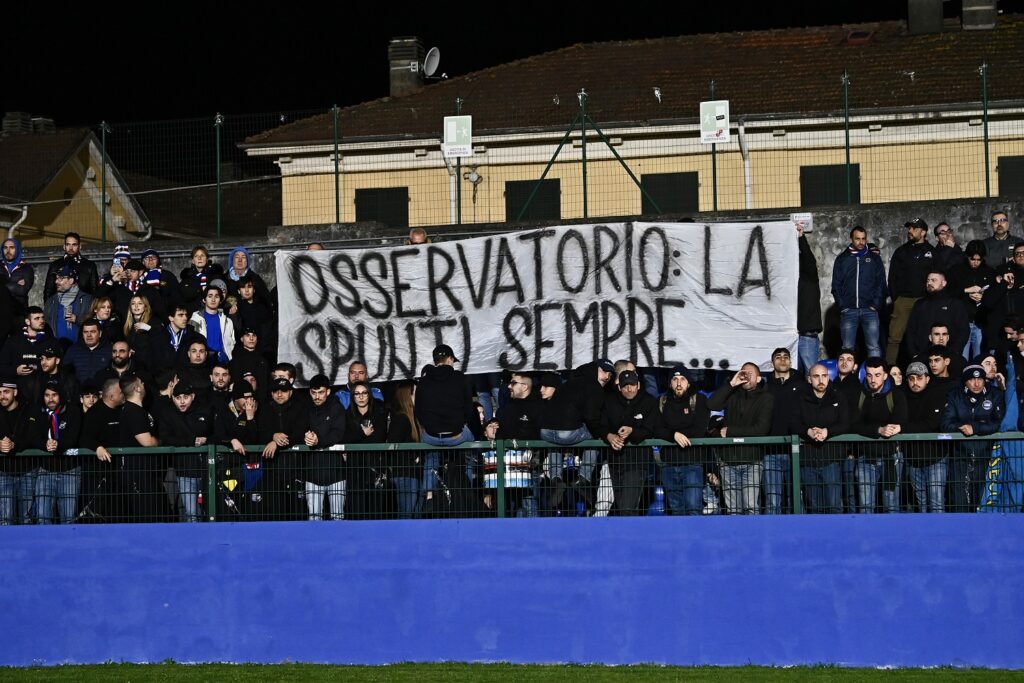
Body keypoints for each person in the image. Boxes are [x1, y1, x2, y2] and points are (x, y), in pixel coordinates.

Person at [414, 344, 479, 513]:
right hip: (456, 435)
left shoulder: (423, 380)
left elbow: (418, 410)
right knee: (471, 449)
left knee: (431, 456)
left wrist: (430, 427)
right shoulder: (460, 378)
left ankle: (429, 495)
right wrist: (460, 424)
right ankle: (467, 489)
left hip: (431, 435)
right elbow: (469, 409)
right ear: (450, 359)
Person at [706, 362, 774, 515]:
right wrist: (731, 384)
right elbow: (711, 404)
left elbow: (761, 429)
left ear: (758, 378)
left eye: (750, 373)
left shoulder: (766, 398)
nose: (746, 375)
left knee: (751, 508)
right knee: (732, 511)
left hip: (752, 461)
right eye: (743, 372)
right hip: (728, 460)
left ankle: (753, 539)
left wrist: (729, 431)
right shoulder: (732, 394)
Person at [942, 364, 1005, 513]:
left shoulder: (994, 394)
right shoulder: (954, 395)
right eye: (971, 379)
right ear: (965, 381)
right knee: (959, 500)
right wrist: (962, 427)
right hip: (960, 455)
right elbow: (945, 424)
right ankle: (961, 532)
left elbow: (999, 423)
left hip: (986, 455)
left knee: (981, 497)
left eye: (980, 379)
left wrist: (975, 428)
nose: (976, 383)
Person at [850, 358, 907, 513]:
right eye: (869, 375)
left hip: (891, 457)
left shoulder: (896, 395)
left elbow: (901, 421)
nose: (873, 379)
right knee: (866, 506)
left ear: (885, 375)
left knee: (891, 506)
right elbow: (853, 424)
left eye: (877, 375)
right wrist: (878, 430)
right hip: (866, 458)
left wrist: (892, 428)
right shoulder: (859, 395)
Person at [597, 369, 657, 516]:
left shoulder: (649, 401)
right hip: (614, 460)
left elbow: (651, 429)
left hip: (637, 461)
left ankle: (630, 537)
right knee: (622, 508)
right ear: (619, 387)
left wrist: (632, 431)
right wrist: (609, 436)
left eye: (632, 384)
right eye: (625, 385)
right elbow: (600, 425)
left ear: (639, 385)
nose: (629, 388)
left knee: (627, 508)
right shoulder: (609, 401)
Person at [791, 363, 849, 514]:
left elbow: (845, 423)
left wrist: (827, 431)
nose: (821, 380)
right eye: (816, 376)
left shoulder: (838, 395)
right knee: (814, 507)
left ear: (828, 377)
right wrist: (808, 432)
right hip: (808, 461)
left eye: (824, 376)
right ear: (809, 379)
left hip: (831, 459)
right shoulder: (800, 398)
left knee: (834, 506)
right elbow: (793, 423)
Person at [654, 366, 711, 516]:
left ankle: (695, 540)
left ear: (689, 383)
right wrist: (674, 435)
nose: (679, 383)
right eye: (675, 379)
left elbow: (699, 429)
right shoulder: (661, 401)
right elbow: (656, 428)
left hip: (692, 463)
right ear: (669, 383)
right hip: (668, 465)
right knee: (676, 510)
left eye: (683, 379)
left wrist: (671, 432)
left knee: (693, 508)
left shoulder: (700, 399)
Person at [157, 382, 211, 522]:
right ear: (172, 398)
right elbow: (165, 438)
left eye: (185, 397)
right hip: (185, 471)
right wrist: (191, 440)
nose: (181, 401)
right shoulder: (167, 413)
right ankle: (197, 542)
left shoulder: (205, 409)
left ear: (192, 396)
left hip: (209, 470)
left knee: (212, 510)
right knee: (192, 513)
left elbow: (213, 433)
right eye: (177, 397)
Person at [31, 382, 83, 524]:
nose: (50, 399)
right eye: (47, 395)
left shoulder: (73, 411)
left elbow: (73, 438)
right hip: (45, 471)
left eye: (54, 395)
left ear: (61, 395)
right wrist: (45, 444)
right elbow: (32, 437)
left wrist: (58, 444)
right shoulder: (38, 412)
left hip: (69, 471)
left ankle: (68, 546)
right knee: (42, 518)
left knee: (68, 518)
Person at [831, 226, 886, 358]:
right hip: (849, 310)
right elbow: (836, 285)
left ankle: (875, 375)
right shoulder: (842, 259)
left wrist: (875, 305)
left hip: (869, 310)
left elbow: (881, 283)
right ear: (851, 239)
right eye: (857, 239)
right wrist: (843, 306)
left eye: (863, 239)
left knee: (873, 346)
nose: (861, 242)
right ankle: (848, 377)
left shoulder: (874, 259)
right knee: (847, 349)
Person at [900, 362, 948, 513]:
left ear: (927, 379)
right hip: (913, 460)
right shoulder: (902, 398)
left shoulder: (937, 395)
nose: (915, 382)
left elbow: (932, 424)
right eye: (911, 378)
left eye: (919, 378)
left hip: (935, 459)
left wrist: (903, 428)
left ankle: (940, 536)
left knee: (936, 504)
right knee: (921, 506)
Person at [887, 218, 935, 365]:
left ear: (923, 232)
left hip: (924, 301)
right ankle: (890, 369)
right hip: (903, 300)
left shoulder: (932, 252)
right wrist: (897, 298)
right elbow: (892, 277)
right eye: (909, 228)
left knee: (924, 335)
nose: (910, 231)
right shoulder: (901, 252)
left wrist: (931, 298)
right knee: (895, 337)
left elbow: (938, 276)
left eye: (914, 228)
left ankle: (925, 368)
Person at [117, 374, 164, 522]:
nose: (144, 386)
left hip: (146, 471)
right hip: (137, 472)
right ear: (137, 388)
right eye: (142, 383)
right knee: (146, 512)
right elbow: (147, 442)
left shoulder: (139, 410)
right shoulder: (132, 411)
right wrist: (161, 441)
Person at [342, 379, 392, 519]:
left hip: (375, 468)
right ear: (352, 397)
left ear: (369, 395)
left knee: (376, 511)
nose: (361, 396)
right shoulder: (347, 414)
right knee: (357, 511)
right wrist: (362, 434)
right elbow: (343, 437)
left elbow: (379, 437)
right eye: (357, 394)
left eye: (364, 393)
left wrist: (355, 438)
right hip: (355, 470)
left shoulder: (379, 412)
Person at [302, 374, 347, 521]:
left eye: (320, 392)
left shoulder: (337, 407)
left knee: (337, 517)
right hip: (312, 472)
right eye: (313, 393)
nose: (317, 396)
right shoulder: (305, 408)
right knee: (314, 518)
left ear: (328, 391)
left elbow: (338, 433)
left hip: (336, 472)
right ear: (309, 392)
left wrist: (317, 440)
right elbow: (297, 428)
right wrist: (306, 436)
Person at [763, 347, 801, 514]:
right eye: (778, 357)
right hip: (771, 451)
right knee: (773, 501)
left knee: (795, 499)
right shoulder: (764, 386)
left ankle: (800, 536)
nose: (783, 359)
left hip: (796, 451)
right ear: (772, 363)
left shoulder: (802, 384)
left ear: (791, 361)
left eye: (786, 356)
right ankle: (773, 538)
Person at [904, 270, 970, 360]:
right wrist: (914, 354)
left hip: (948, 358)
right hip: (922, 357)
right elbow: (911, 331)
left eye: (933, 280)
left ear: (943, 283)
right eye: (928, 280)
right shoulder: (919, 304)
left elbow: (963, 331)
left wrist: (954, 352)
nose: (929, 283)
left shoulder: (955, 304)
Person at [948, 240, 994, 360]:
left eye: (979, 260)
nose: (975, 263)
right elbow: (949, 292)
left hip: (981, 322)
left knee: (980, 359)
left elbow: (994, 295)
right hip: (963, 321)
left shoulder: (989, 272)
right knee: (962, 359)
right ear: (967, 256)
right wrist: (966, 290)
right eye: (973, 259)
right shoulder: (956, 270)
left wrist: (983, 297)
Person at [0, 375, 36, 524]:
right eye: (0, 392)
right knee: (5, 519)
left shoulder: (28, 410)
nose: (2, 396)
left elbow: (34, 437)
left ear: (15, 392)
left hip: (27, 471)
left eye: (6, 392)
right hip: (3, 472)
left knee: (26, 520)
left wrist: (14, 444)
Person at [386, 381, 422, 519]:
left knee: (412, 513)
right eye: (415, 393)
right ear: (409, 395)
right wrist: (413, 456)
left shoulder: (413, 418)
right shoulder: (401, 419)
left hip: (411, 473)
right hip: (404, 473)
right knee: (406, 514)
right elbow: (393, 445)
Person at [43, 265, 93, 346]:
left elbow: (94, 322)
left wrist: (78, 320)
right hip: (57, 348)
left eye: (61, 278)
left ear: (71, 280)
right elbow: (46, 324)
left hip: (80, 348)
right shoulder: (51, 301)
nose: (56, 281)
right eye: (56, 278)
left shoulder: (86, 299)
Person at [797, 221, 823, 372]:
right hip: (790, 335)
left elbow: (808, 260)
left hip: (806, 335)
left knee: (810, 374)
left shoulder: (809, 278)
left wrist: (801, 238)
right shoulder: (787, 282)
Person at [43, 232, 99, 301]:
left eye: (74, 245)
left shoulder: (90, 266)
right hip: (59, 306)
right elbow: (48, 290)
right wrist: (49, 309)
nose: (71, 248)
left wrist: (91, 309)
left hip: (83, 306)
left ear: (80, 246)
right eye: (68, 245)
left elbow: (95, 291)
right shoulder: (55, 265)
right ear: (64, 246)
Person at [189, 286, 235, 363]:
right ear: (204, 299)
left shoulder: (228, 321)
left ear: (220, 300)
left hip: (223, 360)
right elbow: (190, 342)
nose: (213, 300)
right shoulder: (195, 319)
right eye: (210, 296)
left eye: (216, 296)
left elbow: (232, 341)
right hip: (204, 360)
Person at [63, 319, 111, 385]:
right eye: (85, 332)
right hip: (79, 392)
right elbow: (64, 373)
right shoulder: (73, 350)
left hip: (102, 392)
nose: (89, 335)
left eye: (93, 332)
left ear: (100, 334)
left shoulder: (109, 351)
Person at [179, 246, 225, 310]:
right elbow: (185, 296)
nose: (199, 258)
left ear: (207, 259)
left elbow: (221, 296)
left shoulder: (215, 275)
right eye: (196, 256)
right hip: (193, 315)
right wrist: (201, 289)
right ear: (193, 261)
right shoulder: (187, 278)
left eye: (202, 255)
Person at [0, 237, 34, 315]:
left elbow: (22, 290)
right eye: (5, 248)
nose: (8, 251)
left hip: (19, 312)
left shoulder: (26, 268)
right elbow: (17, 289)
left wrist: (2, 286)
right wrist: (15, 285)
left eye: (12, 247)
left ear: (17, 249)